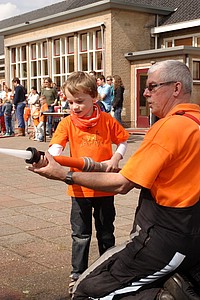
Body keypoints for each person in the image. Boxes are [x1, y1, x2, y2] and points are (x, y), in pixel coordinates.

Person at [28, 60, 200, 300]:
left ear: (176, 88)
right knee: (86, 238)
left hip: (165, 239)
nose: (144, 92)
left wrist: (63, 174)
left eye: (152, 86)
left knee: (85, 291)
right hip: (190, 237)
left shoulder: (168, 128)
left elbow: (122, 183)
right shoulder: (196, 121)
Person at [29, 71, 129, 295]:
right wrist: (49, 157)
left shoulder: (106, 120)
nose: (74, 106)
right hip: (79, 189)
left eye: (79, 101)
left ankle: (108, 271)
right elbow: (56, 148)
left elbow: (122, 141)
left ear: (94, 97)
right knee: (80, 235)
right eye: (70, 101)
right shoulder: (66, 123)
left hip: (104, 186)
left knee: (106, 233)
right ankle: (77, 274)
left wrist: (115, 158)